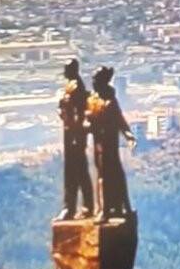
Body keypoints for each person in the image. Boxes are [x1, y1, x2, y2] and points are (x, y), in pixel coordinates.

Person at [87, 66, 136, 221]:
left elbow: (119, 121)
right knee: (100, 175)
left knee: (110, 176)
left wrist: (129, 136)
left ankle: (108, 209)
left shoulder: (109, 102)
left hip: (109, 145)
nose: (93, 83)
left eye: (96, 80)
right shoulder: (93, 100)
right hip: (97, 144)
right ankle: (102, 207)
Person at [56, 59, 93, 220]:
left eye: (66, 68)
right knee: (72, 171)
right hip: (70, 132)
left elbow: (80, 111)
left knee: (78, 171)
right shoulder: (71, 85)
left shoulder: (77, 87)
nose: (64, 71)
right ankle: (72, 206)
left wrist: (77, 132)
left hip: (75, 135)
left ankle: (80, 206)